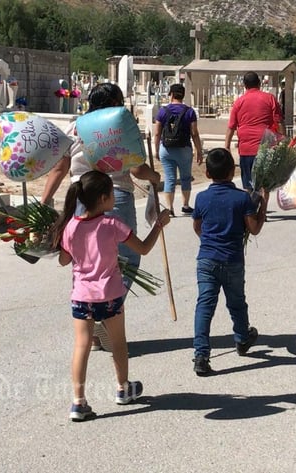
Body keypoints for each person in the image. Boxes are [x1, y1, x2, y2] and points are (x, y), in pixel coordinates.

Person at [42, 83, 162, 351]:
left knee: (83, 261)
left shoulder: (75, 126)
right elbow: (136, 168)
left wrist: (45, 200)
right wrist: (155, 178)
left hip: (78, 199)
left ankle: (92, 324)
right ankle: (105, 316)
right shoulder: (115, 126)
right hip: (113, 196)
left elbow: (60, 167)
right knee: (127, 260)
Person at [51, 170, 170, 420]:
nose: (115, 198)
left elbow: (64, 261)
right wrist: (158, 224)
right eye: (113, 194)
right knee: (118, 342)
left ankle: (78, 402)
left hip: (82, 296)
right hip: (110, 294)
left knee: (81, 345)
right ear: (104, 198)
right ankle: (123, 388)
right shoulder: (112, 224)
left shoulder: (70, 227)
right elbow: (144, 249)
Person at [191, 148, 268, 376]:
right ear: (232, 171)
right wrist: (263, 204)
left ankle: (201, 355)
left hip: (206, 260)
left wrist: (209, 241)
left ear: (206, 173)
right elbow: (253, 229)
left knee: (204, 306)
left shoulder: (201, 197)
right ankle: (242, 338)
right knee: (236, 303)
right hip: (232, 259)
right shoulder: (242, 198)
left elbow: (197, 226)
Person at [225, 72, 284, 191]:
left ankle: (250, 208)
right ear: (259, 83)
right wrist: (282, 140)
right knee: (264, 185)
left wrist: (227, 146)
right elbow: (278, 122)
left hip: (246, 149)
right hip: (266, 147)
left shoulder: (239, 102)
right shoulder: (270, 99)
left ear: (244, 85)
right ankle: (262, 209)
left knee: (248, 184)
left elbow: (231, 126)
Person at [153, 83, 203, 216]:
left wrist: (156, 149)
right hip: (184, 148)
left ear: (172, 95)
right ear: (183, 95)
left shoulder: (163, 111)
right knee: (185, 177)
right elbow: (194, 133)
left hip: (166, 149)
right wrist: (199, 150)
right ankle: (185, 205)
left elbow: (157, 132)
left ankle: (169, 208)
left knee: (169, 178)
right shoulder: (189, 111)